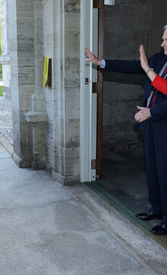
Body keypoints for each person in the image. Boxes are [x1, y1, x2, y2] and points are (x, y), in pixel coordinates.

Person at [84, 25, 167, 235]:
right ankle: (156, 209)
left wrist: (152, 112)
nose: (162, 43)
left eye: (166, 40)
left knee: (166, 174)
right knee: (154, 171)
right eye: (163, 39)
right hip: (152, 126)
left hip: (163, 124)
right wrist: (100, 62)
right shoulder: (158, 59)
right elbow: (133, 66)